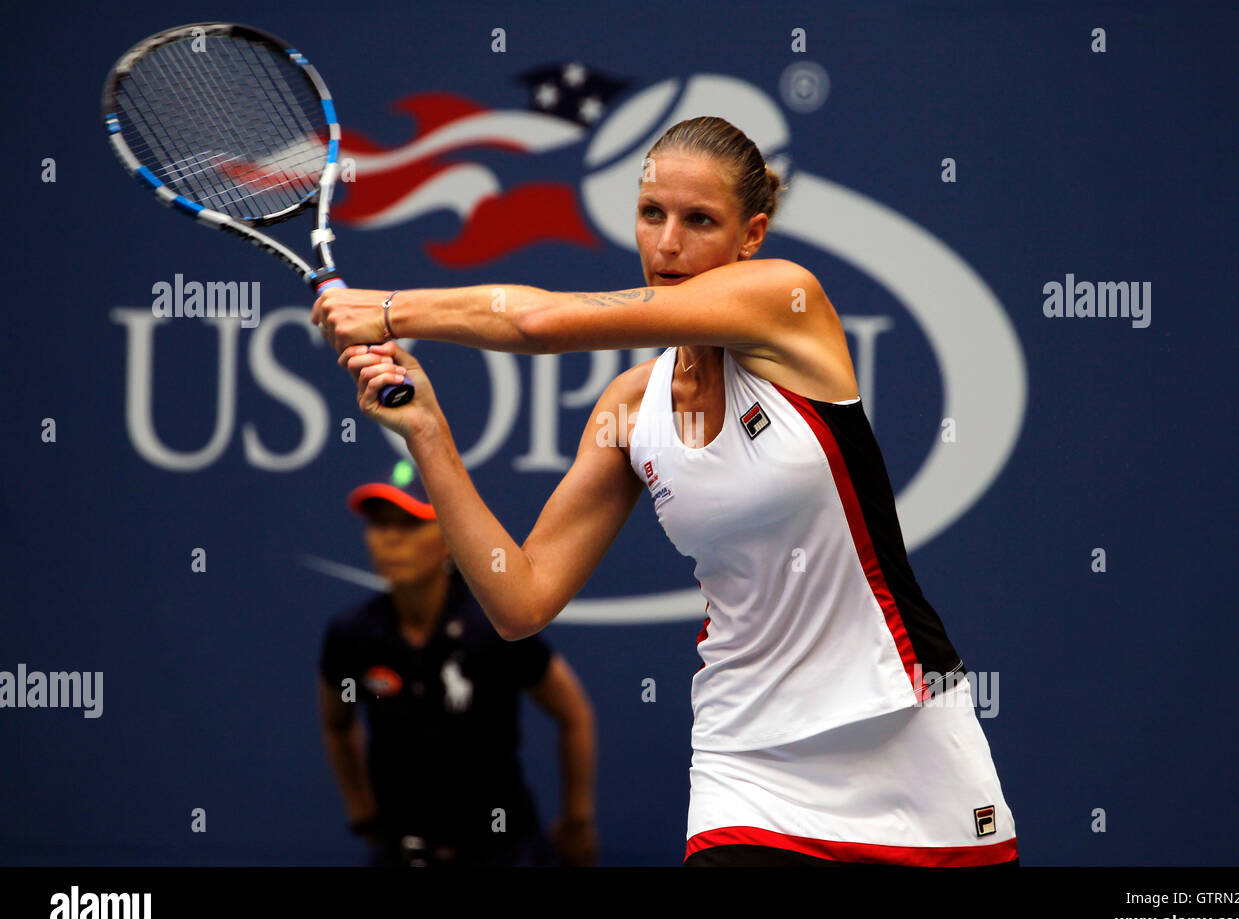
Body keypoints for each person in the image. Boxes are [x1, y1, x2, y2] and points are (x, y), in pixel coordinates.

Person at [312, 115, 1019, 867]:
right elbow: (519, 602)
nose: (668, 245)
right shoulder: (628, 410)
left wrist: (389, 309)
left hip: (903, 724)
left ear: (751, 235)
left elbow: (544, 321)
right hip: (745, 757)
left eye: (699, 221)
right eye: (652, 214)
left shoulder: (787, 302)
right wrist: (429, 436)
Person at [317, 467, 598, 866]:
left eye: (411, 524)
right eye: (379, 525)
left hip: (503, 850)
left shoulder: (495, 624)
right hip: (401, 851)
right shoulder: (352, 635)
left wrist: (577, 820)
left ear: (449, 540)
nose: (392, 539)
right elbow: (336, 723)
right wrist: (361, 810)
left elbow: (574, 713)